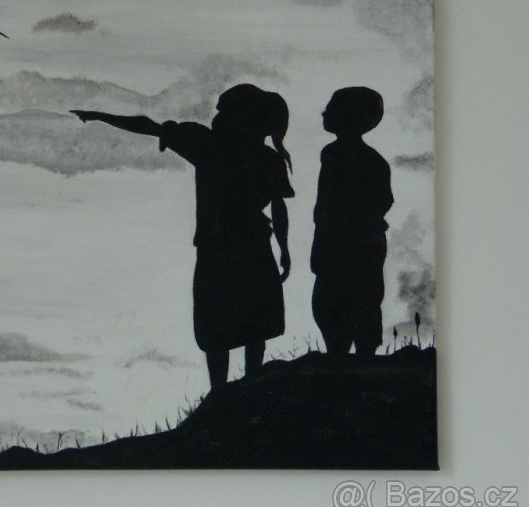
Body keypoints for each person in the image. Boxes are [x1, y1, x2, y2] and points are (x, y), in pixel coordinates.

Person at [71, 83, 294, 388]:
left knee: (222, 320)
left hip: (222, 246)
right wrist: (283, 248)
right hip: (248, 244)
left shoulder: (209, 145)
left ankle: (224, 388)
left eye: (225, 111)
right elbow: (279, 207)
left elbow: (148, 126)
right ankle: (242, 384)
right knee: (247, 320)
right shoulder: (257, 156)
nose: (218, 116)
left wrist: (100, 116)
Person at [310, 87, 394, 355]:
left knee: (334, 308)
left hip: (343, 242)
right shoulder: (375, 160)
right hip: (362, 242)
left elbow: (327, 204)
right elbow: (385, 201)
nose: (324, 113)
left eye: (332, 108)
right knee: (359, 306)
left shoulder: (334, 154)